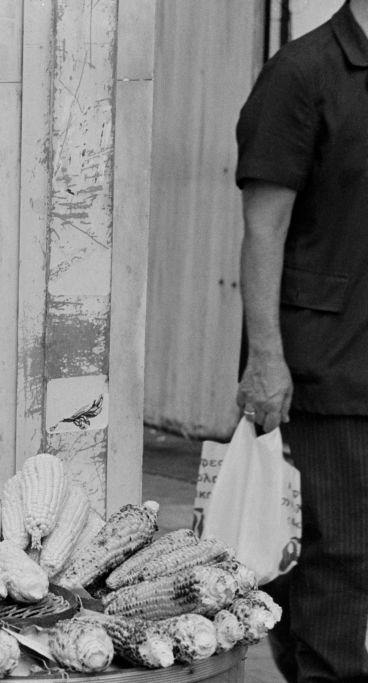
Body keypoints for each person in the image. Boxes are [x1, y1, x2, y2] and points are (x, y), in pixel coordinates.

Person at [235, 1, 368, 680]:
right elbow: (264, 227)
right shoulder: (303, 73)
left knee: (330, 565)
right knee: (336, 559)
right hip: (322, 371)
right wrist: (265, 360)